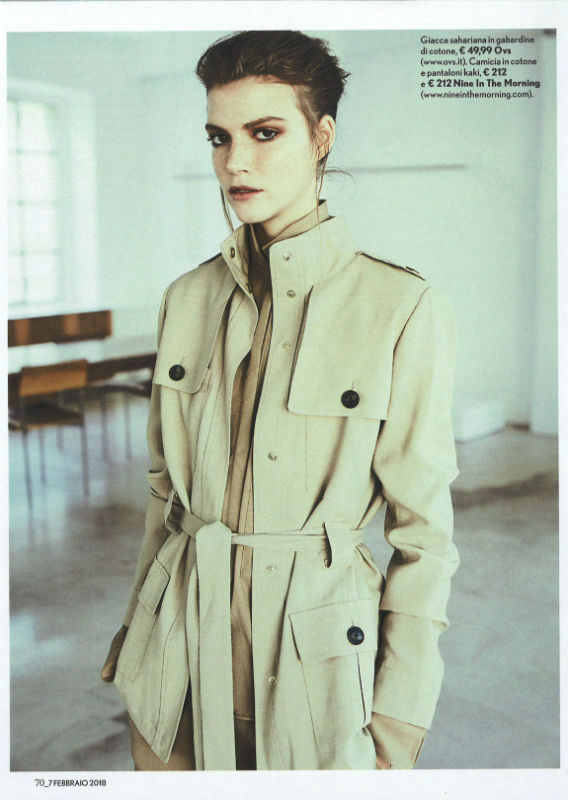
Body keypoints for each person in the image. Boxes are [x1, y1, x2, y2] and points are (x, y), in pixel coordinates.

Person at [101, 29, 460, 771]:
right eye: (220, 136)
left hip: (314, 669)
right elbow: (162, 497)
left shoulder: (399, 305)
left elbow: (424, 532)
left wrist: (400, 711)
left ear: (321, 137)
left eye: (265, 133)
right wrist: (138, 637)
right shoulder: (186, 298)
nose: (235, 161)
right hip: (174, 661)